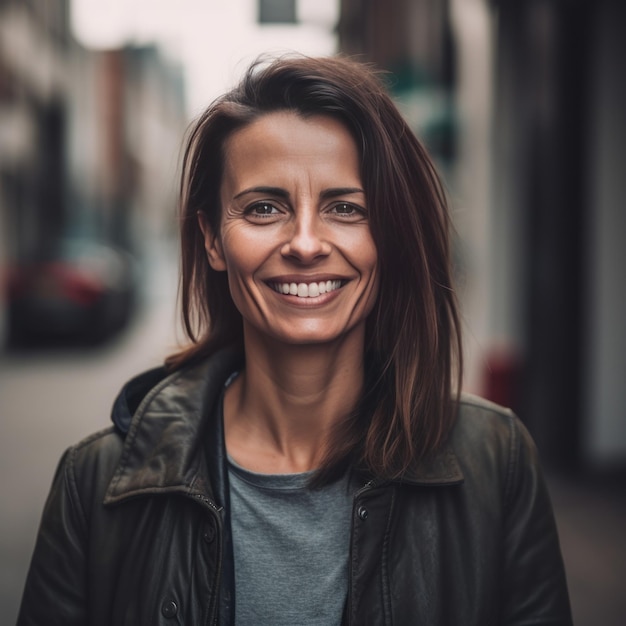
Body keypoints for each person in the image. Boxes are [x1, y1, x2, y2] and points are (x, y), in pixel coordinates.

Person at [17, 55, 572, 626]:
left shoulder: (497, 463)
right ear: (212, 240)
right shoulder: (95, 482)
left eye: (345, 208)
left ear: (391, 235)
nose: (306, 243)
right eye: (263, 208)